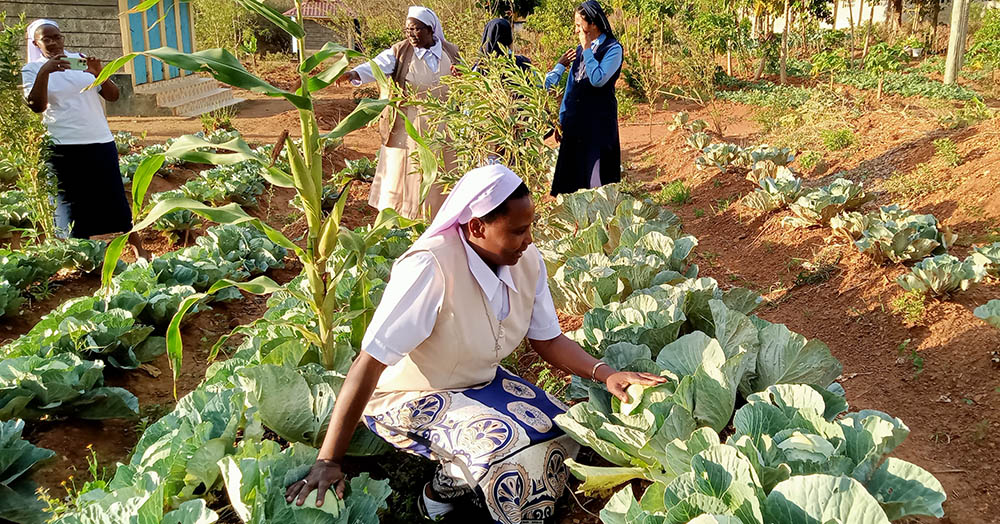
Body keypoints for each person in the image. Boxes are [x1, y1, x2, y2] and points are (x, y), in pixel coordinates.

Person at [285, 165, 665, 523]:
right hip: (409, 394)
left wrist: (607, 373)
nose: (528, 240)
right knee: (512, 448)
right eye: (517, 231)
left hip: (479, 382)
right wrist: (329, 460)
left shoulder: (526, 260)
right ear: (477, 227)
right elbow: (369, 363)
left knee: (563, 429)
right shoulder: (430, 267)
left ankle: (471, 481)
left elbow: (548, 339)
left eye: (529, 227)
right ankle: (439, 496)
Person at [21, 19, 147, 258]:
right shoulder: (32, 69)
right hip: (62, 146)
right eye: (46, 39)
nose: (54, 42)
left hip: (99, 140)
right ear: (36, 43)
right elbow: (37, 105)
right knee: (72, 205)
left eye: (57, 37)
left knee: (115, 199)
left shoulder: (80, 61)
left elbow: (113, 95)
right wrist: (45, 71)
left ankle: (139, 249)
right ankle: (83, 257)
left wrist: (100, 73)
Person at [338, 6, 459, 220]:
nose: (410, 34)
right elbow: (376, 66)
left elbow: (468, 79)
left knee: (441, 173)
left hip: (444, 126)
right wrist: (353, 73)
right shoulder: (400, 52)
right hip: (409, 126)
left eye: (415, 29)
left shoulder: (450, 51)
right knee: (410, 173)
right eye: (407, 30)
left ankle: (439, 217)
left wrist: (462, 77)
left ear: (430, 29)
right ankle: (407, 217)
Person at [543, 1, 623, 196]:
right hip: (576, 123)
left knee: (597, 179)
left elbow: (598, 80)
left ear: (593, 24)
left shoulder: (613, 49)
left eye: (579, 24)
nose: (576, 29)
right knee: (572, 180)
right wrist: (562, 120)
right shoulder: (579, 50)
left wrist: (587, 49)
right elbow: (572, 87)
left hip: (599, 124)